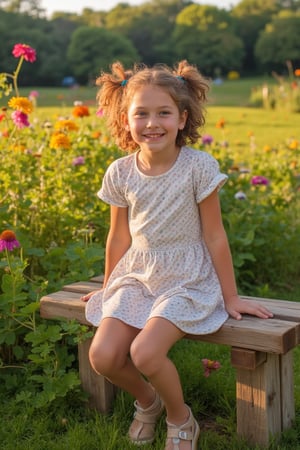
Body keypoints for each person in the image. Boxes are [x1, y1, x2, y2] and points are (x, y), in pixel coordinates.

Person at [81, 60, 273, 450]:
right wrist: (108, 288)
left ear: (182, 119)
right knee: (102, 355)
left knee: (146, 353)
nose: (153, 123)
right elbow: (117, 237)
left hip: (187, 278)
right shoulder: (120, 172)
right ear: (126, 119)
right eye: (142, 114)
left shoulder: (198, 168)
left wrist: (231, 296)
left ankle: (180, 418)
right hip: (138, 274)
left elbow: (215, 236)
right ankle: (149, 402)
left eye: (164, 113)